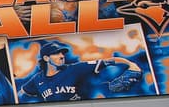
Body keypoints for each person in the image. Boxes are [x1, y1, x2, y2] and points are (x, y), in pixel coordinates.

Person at [16, 40, 144, 103]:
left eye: (62, 53)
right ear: (46, 58)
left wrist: (130, 64)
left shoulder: (75, 69)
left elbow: (107, 61)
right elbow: (20, 95)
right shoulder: (37, 79)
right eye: (56, 54)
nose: (61, 56)